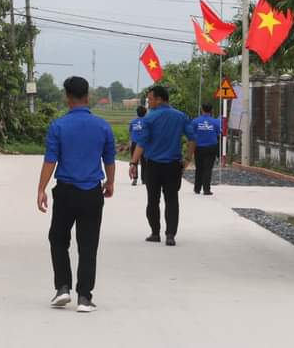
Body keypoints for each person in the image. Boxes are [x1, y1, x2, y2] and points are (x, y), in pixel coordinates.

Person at [37, 76, 116, 313]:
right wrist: (110, 183)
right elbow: (109, 160)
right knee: (88, 244)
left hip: (66, 192)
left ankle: (62, 287)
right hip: (92, 192)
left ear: (67, 98)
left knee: (58, 239)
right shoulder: (103, 126)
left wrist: (41, 188)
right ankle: (84, 297)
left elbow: (51, 159)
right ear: (87, 97)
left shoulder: (58, 126)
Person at [129, 85, 194, 246]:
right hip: (173, 166)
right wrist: (187, 158)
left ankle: (155, 233)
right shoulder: (181, 116)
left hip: (153, 166)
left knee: (153, 200)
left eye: (150, 99)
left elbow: (141, 143)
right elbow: (193, 138)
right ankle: (170, 235)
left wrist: (133, 162)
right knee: (172, 200)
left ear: (159, 99)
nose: (148, 102)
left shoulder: (149, 119)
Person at [189, 103, 222, 195]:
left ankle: (197, 188)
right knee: (208, 168)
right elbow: (218, 133)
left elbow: (191, 134)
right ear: (211, 110)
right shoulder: (216, 122)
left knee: (199, 167)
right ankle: (206, 189)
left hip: (199, 147)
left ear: (202, 109)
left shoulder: (195, 121)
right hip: (211, 147)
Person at [128, 105, 147, 186]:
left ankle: (135, 179)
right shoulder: (146, 122)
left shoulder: (132, 122)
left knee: (134, 161)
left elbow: (130, 132)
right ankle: (144, 179)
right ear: (145, 113)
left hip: (134, 143)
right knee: (144, 162)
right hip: (143, 143)